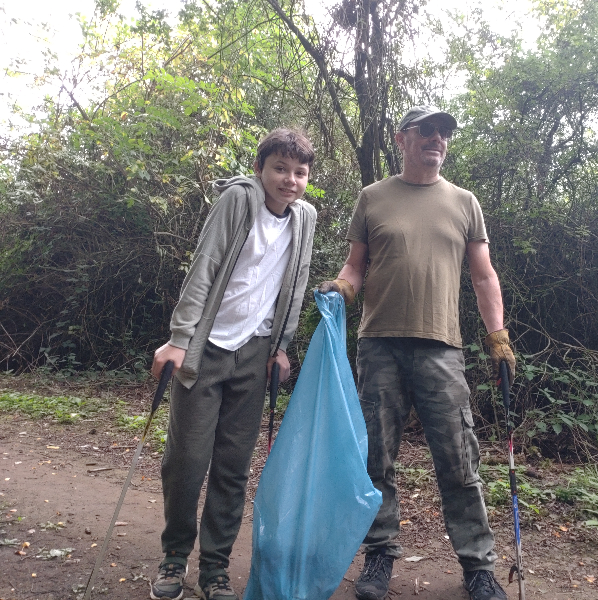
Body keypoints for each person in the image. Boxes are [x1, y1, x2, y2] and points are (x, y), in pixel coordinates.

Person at [319, 106, 516, 600]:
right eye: (426, 129)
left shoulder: (465, 202)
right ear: (401, 138)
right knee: (376, 458)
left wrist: (498, 336)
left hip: (441, 349)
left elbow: (484, 276)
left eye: (444, 131)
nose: (436, 138)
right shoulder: (373, 197)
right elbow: (355, 266)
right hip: (379, 345)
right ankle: (379, 555)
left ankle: (478, 566)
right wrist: (342, 289)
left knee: (458, 459)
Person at [148, 128, 317, 600]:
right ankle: (174, 556)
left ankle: (215, 567)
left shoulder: (305, 218)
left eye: (299, 172)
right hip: (206, 349)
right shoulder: (238, 200)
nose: (289, 180)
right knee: (186, 461)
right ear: (260, 168)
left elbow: (296, 284)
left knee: (233, 466)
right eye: (279, 168)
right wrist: (179, 339)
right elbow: (204, 266)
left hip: (256, 352)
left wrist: (281, 346)